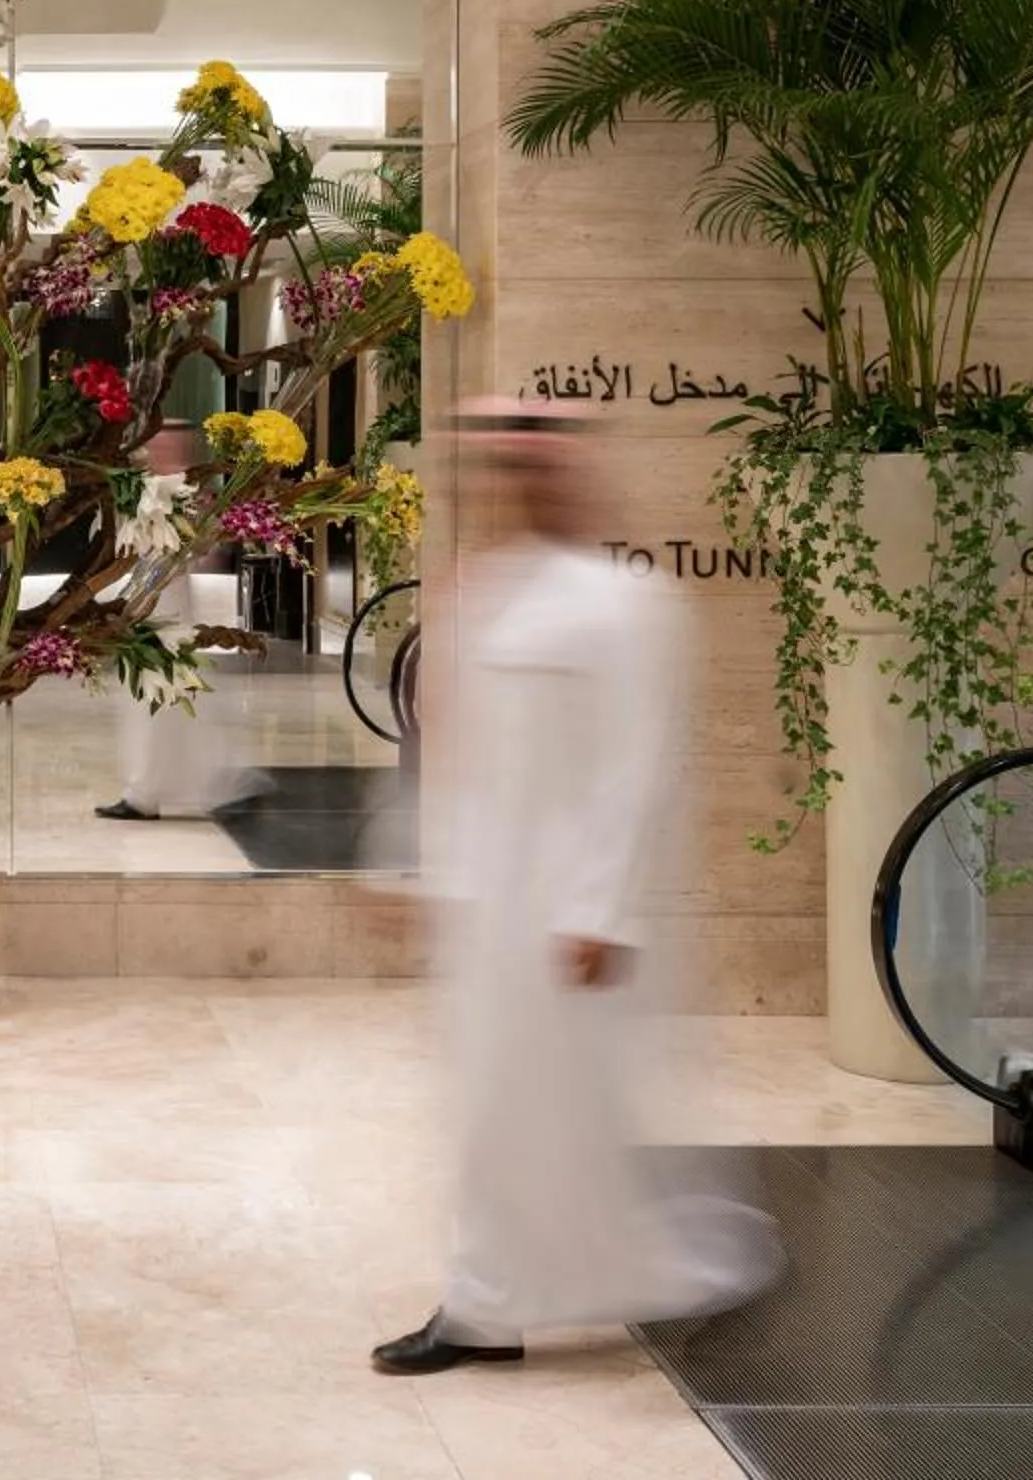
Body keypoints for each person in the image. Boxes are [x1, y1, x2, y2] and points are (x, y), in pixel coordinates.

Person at [373, 402, 777, 1375]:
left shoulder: (631, 606)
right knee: (496, 1107)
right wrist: (433, 877)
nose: (526, 480)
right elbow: (460, 753)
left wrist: (602, 913)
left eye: (544, 463)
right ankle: (502, 1296)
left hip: (565, 908)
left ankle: (499, 1301)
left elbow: (636, 773)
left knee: (553, 1115)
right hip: (497, 904)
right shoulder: (497, 589)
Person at [97, 421, 270, 824]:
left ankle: (153, 791)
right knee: (155, 697)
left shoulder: (185, 489)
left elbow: (194, 546)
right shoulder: (143, 482)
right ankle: (156, 787)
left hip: (165, 599)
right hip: (147, 592)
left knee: (163, 694)